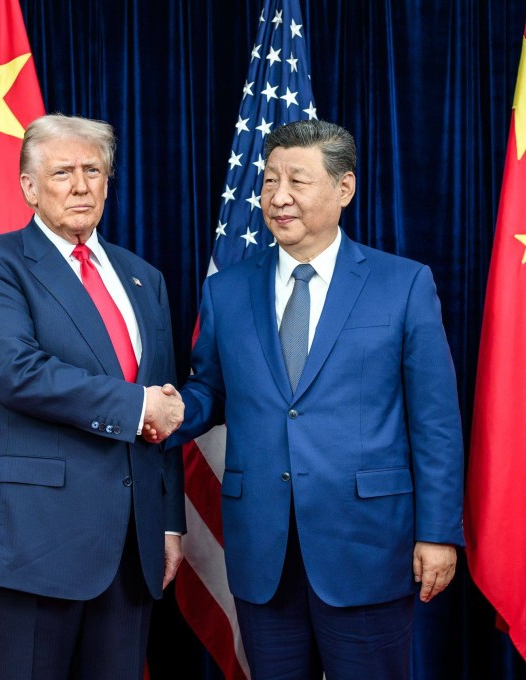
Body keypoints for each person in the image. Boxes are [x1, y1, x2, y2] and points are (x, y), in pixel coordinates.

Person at [170, 119, 464, 679]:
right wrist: (169, 412)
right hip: (263, 551)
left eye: (297, 181)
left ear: (343, 188)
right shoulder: (226, 290)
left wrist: (438, 533)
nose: (278, 197)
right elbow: (211, 389)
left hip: (367, 547)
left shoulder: (403, 284)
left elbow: (436, 424)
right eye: (269, 180)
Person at [0, 113, 186, 680]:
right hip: (32, 540)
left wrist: (168, 521)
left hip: (131, 548)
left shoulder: (144, 278)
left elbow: (165, 406)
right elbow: (16, 372)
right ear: (29, 187)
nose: (80, 186)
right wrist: (136, 407)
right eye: (62, 173)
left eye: (92, 171)